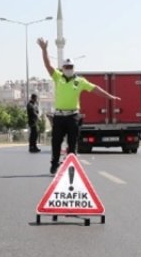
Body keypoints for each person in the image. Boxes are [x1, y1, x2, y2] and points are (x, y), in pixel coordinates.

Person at [37, 37, 119, 175]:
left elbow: (95, 89)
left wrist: (110, 96)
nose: (69, 69)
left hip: (73, 116)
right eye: (66, 67)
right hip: (59, 116)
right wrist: (44, 50)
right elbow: (48, 65)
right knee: (56, 142)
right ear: (63, 68)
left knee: (72, 143)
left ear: (74, 68)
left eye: (71, 67)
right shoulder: (58, 77)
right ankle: (54, 164)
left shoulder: (80, 81)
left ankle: (71, 166)